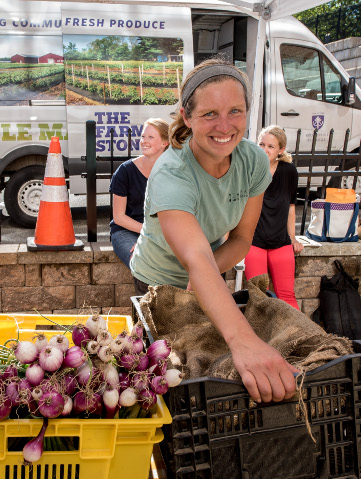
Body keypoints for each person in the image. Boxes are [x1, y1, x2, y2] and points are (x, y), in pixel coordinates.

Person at [130, 58, 299, 403]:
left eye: (235, 111)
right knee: (162, 373)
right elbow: (195, 258)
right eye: (209, 114)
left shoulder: (252, 161)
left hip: (209, 270)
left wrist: (207, 273)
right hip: (156, 279)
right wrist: (246, 342)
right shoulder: (172, 174)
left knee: (203, 365)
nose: (224, 126)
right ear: (187, 117)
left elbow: (240, 239)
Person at [244, 125, 303, 309]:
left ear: (280, 150)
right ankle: (262, 337)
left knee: (287, 296)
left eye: (270, 146)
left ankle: (297, 336)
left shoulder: (289, 171)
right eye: (261, 144)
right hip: (254, 242)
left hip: (281, 241)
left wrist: (293, 238)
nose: (265, 150)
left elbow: (291, 207)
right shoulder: (248, 170)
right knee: (260, 297)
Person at [109, 118, 170, 267]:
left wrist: (155, 237)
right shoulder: (125, 171)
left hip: (160, 232)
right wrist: (147, 236)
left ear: (164, 143)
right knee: (141, 262)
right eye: (143, 136)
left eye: (150, 137)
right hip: (126, 231)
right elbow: (119, 217)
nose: (144, 141)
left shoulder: (172, 171)